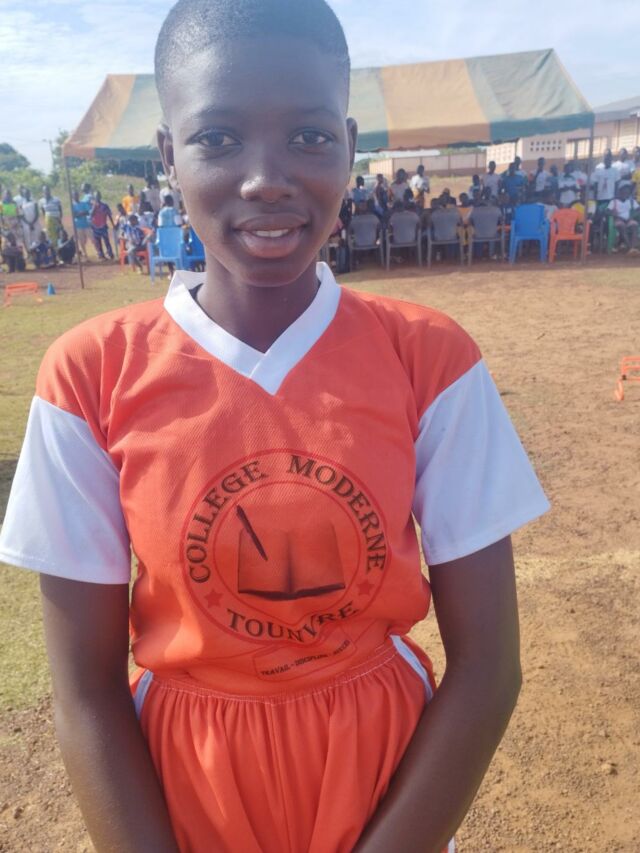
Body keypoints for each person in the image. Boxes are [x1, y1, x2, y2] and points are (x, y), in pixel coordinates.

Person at [0, 3, 550, 853]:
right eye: (218, 138)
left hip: (386, 789)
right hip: (185, 796)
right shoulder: (90, 376)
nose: (266, 178)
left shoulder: (429, 358)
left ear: (349, 146)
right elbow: (84, 688)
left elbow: (488, 666)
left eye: (308, 136)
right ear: (168, 156)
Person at [607, 184, 640, 254]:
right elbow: (607, 211)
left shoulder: (631, 201)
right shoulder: (614, 201)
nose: (626, 194)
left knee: (634, 226)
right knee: (622, 226)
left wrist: (632, 216)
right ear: (620, 192)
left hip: (629, 220)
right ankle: (630, 248)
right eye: (624, 192)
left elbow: (638, 209)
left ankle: (633, 247)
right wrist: (613, 214)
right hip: (618, 219)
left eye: (627, 193)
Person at [90, 190, 115, 260]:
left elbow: (109, 215)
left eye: (98, 196)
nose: (97, 197)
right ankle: (101, 255)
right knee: (98, 242)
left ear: (100, 196)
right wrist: (94, 207)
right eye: (96, 196)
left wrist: (113, 224)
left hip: (103, 226)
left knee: (106, 241)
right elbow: (91, 215)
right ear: (94, 197)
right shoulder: (92, 205)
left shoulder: (105, 206)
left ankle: (110, 254)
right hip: (95, 227)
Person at [72, 190, 92, 258]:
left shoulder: (83, 203)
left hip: (86, 224)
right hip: (78, 225)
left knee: (93, 239)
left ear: (78, 196)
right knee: (82, 241)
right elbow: (74, 215)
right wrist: (82, 213)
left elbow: (88, 212)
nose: (76, 196)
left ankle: (99, 253)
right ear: (72, 196)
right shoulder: (72, 205)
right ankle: (85, 254)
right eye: (74, 195)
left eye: (76, 195)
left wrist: (80, 213)